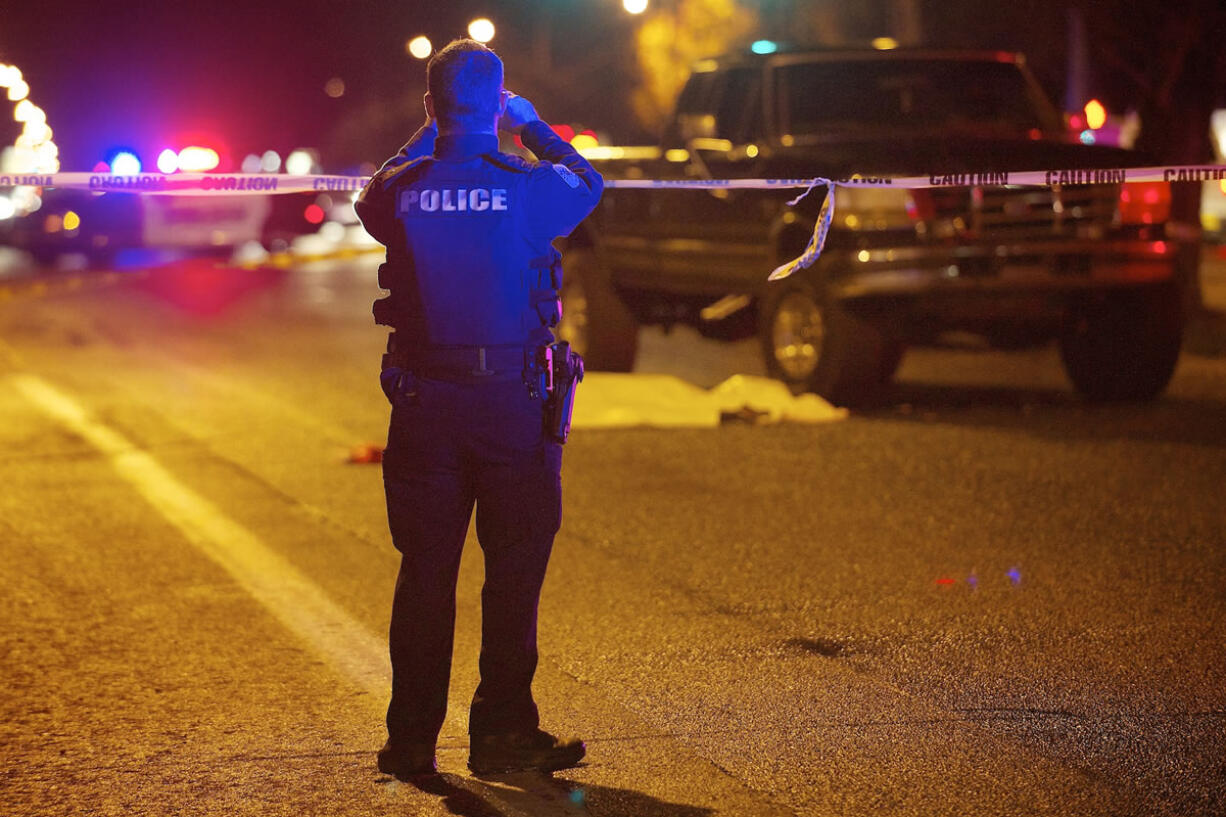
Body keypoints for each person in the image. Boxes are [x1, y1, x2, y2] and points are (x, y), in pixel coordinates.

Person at [354, 38, 603, 779]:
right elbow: (588, 181)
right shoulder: (527, 185)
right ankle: (499, 734)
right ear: (497, 105)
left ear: (430, 107)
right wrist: (529, 125)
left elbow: (375, 186)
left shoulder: (401, 190)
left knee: (425, 573)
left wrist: (434, 129)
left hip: (424, 406)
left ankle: (409, 740)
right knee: (514, 574)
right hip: (511, 408)